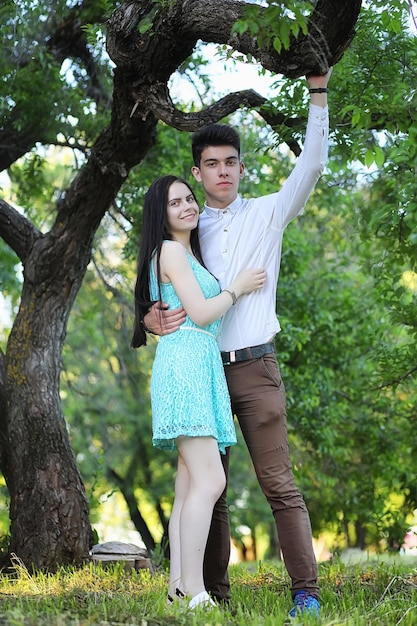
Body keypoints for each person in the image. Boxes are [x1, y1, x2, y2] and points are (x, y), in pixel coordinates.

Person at [143, 69, 331, 617]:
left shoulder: (270, 213)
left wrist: (317, 93)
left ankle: (306, 595)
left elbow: (313, 164)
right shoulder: (188, 226)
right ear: (198, 173)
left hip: (253, 367)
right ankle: (210, 596)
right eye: (212, 164)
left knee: (278, 484)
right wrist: (148, 320)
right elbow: (156, 279)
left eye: (231, 162)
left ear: (241, 167)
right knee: (211, 490)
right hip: (201, 370)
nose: (222, 172)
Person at [131, 175, 266, 610]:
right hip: (188, 362)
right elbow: (203, 312)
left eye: (189, 199)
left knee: (190, 485)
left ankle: (176, 589)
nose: (188, 206)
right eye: (176, 203)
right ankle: (195, 591)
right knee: (211, 479)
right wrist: (237, 288)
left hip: (195, 361)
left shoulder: (183, 252)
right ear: (161, 213)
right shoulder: (170, 250)